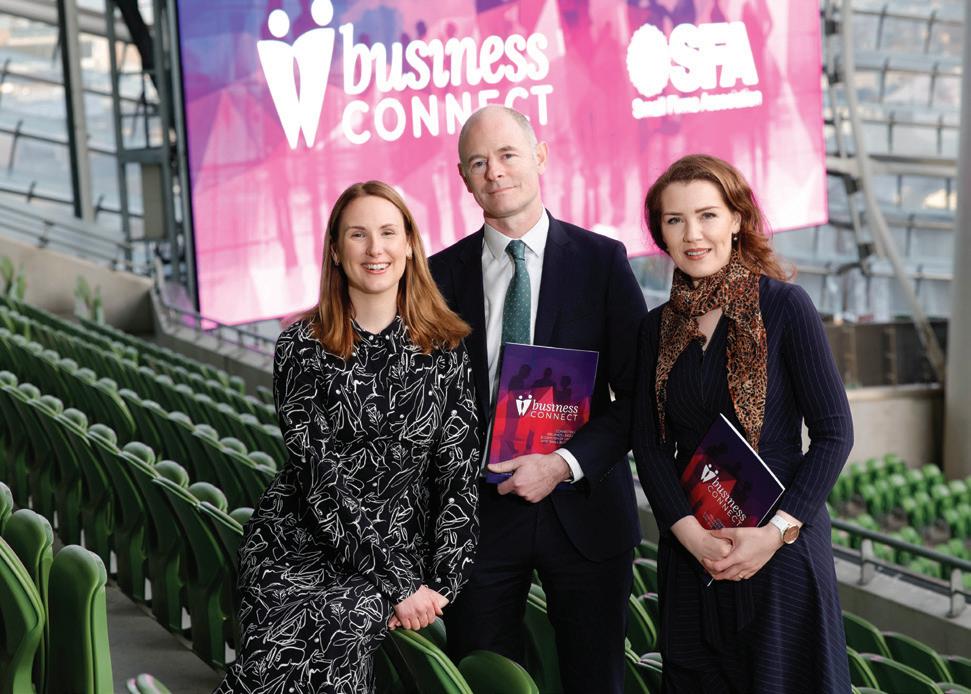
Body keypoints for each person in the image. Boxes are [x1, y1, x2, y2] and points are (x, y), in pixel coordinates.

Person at [215, 181, 480, 693]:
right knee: (288, 639)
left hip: (397, 542)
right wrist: (399, 582)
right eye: (358, 235)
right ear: (336, 250)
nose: (375, 248)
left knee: (346, 619)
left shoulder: (446, 348)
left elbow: (458, 477)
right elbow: (320, 482)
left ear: (410, 245)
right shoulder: (300, 346)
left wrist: (439, 586)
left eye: (388, 233)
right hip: (297, 542)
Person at [429, 105, 648, 692]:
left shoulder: (602, 262)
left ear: (540, 157)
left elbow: (638, 395)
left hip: (585, 509)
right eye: (478, 162)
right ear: (463, 177)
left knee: (595, 681)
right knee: (484, 677)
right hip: (476, 514)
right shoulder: (436, 277)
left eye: (507, 155)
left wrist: (562, 464)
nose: (495, 171)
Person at [632, 154, 853, 693]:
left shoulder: (785, 307)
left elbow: (834, 434)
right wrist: (689, 536)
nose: (693, 234)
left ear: (736, 219)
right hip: (693, 554)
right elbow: (650, 446)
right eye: (675, 220)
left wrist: (775, 534)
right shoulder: (655, 329)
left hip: (780, 550)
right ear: (661, 233)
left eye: (707, 215)